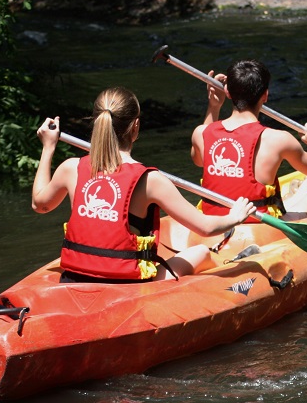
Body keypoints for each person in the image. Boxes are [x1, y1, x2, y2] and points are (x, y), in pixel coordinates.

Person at [32, 87, 257, 282]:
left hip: (76, 275)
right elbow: (206, 228)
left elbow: (40, 205)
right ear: (136, 126)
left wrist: (48, 148)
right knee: (200, 252)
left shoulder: (70, 168)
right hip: (126, 283)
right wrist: (235, 216)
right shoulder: (151, 180)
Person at [190, 59, 307, 222]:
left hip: (212, 224)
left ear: (227, 92)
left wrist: (214, 106)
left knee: (303, 196)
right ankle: (301, 192)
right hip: (258, 227)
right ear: (265, 95)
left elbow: (200, 160)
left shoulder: (201, 132)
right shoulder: (279, 139)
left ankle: (300, 191)